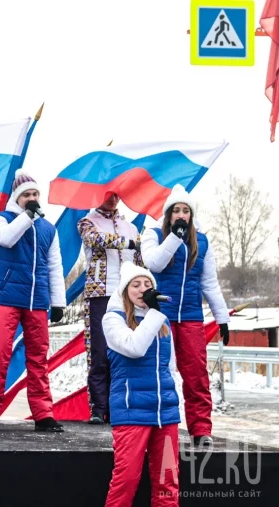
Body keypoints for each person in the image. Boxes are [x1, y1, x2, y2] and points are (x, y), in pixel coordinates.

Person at [140, 184, 229, 447]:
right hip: (160, 314)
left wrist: (221, 317)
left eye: (185, 211)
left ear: (191, 215)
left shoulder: (202, 241)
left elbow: (210, 283)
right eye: (176, 210)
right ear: (168, 214)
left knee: (196, 374)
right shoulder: (153, 233)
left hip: (191, 314)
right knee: (160, 372)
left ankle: (200, 429)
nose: (181, 215)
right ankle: (160, 427)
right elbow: (153, 263)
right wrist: (174, 238)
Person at [0, 170, 66, 433]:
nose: (32, 198)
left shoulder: (48, 228)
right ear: (17, 198)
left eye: (35, 194)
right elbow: (5, 239)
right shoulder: (0, 220)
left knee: (38, 358)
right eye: (26, 195)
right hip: (7, 297)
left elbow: (54, 266)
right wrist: (27, 216)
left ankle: (43, 414)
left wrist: (58, 301)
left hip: (37, 300)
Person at [103, 262, 180, 507]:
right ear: (125, 291)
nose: (143, 289)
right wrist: (155, 315)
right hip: (131, 411)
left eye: (148, 285)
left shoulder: (161, 321)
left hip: (164, 413)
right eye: (136, 285)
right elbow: (134, 348)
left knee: (168, 484)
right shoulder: (112, 319)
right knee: (125, 481)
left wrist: (174, 404)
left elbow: (170, 367)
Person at [77, 192, 142, 424]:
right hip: (100, 293)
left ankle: (118, 406)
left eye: (117, 195)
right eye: (108, 194)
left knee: (123, 352)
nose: (113, 199)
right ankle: (98, 407)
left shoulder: (131, 227)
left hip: (127, 296)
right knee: (100, 351)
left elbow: (140, 262)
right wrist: (128, 243)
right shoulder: (87, 222)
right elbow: (95, 239)